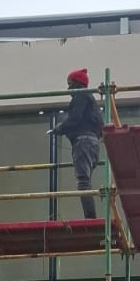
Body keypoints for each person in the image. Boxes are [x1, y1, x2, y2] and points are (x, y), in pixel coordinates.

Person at [54, 68, 104, 220]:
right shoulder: (92, 102)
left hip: (83, 143)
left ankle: (90, 219)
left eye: (70, 84)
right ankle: (91, 218)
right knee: (86, 180)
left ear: (77, 83)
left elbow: (74, 119)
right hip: (93, 144)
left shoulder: (80, 96)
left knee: (83, 181)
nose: (68, 88)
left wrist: (61, 128)